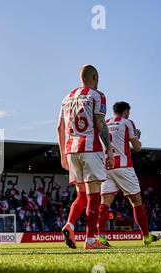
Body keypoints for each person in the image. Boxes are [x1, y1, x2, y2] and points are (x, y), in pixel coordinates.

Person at [57, 65, 114, 250]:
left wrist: (62, 154)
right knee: (94, 195)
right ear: (95, 77)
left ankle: (70, 225)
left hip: (71, 150)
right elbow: (100, 123)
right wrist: (110, 149)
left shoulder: (66, 97)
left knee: (81, 195)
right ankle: (90, 240)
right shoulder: (97, 95)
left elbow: (60, 127)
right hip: (91, 149)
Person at [97, 101, 160, 246]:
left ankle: (101, 237)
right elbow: (137, 148)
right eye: (128, 112)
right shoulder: (127, 122)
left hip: (107, 167)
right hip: (124, 167)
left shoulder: (105, 123)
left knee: (104, 203)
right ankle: (146, 236)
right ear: (125, 112)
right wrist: (137, 137)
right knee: (136, 201)